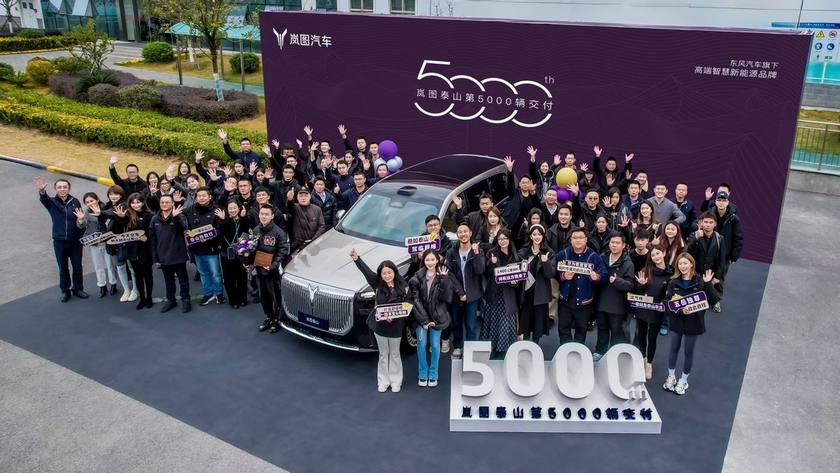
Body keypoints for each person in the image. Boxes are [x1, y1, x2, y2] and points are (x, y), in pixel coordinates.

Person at [350, 248, 410, 392]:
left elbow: (408, 305)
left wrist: (394, 316)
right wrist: (357, 258)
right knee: (383, 354)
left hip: (396, 327)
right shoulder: (377, 284)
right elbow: (366, 272)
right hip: (380, 326)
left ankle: (396, 381)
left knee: (395, 354)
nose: (387, 275)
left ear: (394, 272)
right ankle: (383, 381)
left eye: (389, 272)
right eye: (384, 273)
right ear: (380, 274)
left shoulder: (404, 287)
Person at [663, 253, 720, 396]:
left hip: (694, 323)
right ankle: (671, 376)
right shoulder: (673, 282)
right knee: (673, 349)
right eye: (680, 264)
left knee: (688, 352)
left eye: (685, 263)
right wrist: (681, 310)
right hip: (677, 322)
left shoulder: (700, 281)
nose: (683, 266)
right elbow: (667, 303)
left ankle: (683, 380)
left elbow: (714, 300)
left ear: (691, 264)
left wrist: (708, 284)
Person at [36, 176, 87, 302]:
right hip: (59, 241)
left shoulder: (75, 201)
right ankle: (65, 290)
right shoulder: (51, 202)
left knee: (77, 266)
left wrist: (81, 221)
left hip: (75, 241)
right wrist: (42, 191)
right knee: (63, 268)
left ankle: (78, 288)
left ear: (69, 188)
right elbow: (44, 199)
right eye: (59, 187)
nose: (62, 189)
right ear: (55, 188)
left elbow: (80, 221)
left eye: (65, 187)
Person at [555, 227, 608, 344]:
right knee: (563, 330)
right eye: (575, 238)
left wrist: (597, 277)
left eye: (580, 238)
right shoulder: (563, 254)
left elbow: (604, 276)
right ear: (571, 240)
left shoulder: (593, 256)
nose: (578, 240)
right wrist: (563, 276)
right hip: (565, 301)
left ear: (586, 239)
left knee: (581, 331)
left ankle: (578, 353)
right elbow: (553, 272)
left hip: (584, 303)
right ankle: (565, 352)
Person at [408, 249, 453, 387]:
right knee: (421, 345)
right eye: (427, 259)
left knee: (435, 345)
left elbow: (447, 298)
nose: (430, 262)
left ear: (437, 260)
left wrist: (444, 280)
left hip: (437, 317)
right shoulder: (416, 278)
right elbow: (415, 300)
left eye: (433, 259)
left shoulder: (443, 275)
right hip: (421, 318)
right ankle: (423, 373)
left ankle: (433, 373)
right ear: (424, 261)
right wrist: (425, 320)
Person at [444, 224, 486, 359]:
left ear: (471, 233)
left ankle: (470, 350)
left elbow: (480, 270)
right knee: (456, 323)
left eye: (465, 231)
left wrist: (477, 253)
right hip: (457, 295)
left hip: (473, 294)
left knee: (471, 325)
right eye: (460, 232)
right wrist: (460, 292)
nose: (463, 234)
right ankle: (458, 347)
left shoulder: (477, 250)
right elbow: (449, 273)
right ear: (457, 235)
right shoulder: (451, 252)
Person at [593, 231, 634, 361]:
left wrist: (617, 281)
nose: (614, 245)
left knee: (616, 331)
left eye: (617, 243)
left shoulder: (628, 263)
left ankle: (614, 355)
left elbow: (630, 285)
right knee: (602, 328)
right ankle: (600, 350)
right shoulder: (602, 258)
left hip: (618, 304)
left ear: (623, 245)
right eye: (612, 242)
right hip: (601, 301)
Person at [633, 246, 671, 380]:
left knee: (652, 338)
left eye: (658, 253)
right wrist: (641, 284)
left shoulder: (671, 273)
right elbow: (638, 292)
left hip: (657, 310)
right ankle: (643, 360)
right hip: (643, 308)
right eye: (653, 255)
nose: (656, 257)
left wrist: (664, 303)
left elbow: (671, 295)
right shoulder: (646, 270)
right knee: (641, 335)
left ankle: (649, 364)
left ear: (664, 253)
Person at [482, 229, 522, 357]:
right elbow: (486, 273)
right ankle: (493, 348)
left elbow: (520, 277)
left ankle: (505, 350)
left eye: (505, 238)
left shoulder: (516, 256)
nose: (502, 241)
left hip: (509, 293)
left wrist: (515, 282)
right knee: (493, 321)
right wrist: (491, 263)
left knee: (506, 321)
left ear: (509, 240)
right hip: (495, 292)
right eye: (500, 239)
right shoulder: (492, 253)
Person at [183, 187, 226, 305]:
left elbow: (221, 229)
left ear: (210, 197)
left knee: (215, 274)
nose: (201, 198)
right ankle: (208, 293)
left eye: (204, 195)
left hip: (212, 247)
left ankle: (219, 293)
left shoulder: (217, 210)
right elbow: (182, 220)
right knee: (203, 273)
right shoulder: (190, 210)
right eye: (199, 196)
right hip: (197, 248)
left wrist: (210, 236)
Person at [149, 195, 191, 313]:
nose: (164, 204)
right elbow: (152, 239)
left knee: (183, 281)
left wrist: (176, 217)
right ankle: (171, 300)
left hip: (178, 255)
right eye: (162, 202)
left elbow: (184, 228)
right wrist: (155, 256)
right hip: (163, 256)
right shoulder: (155, 219)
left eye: (167, 202)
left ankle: (186, 300)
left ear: (172, 204)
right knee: (169, 281)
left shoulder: (179, 216)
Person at [253, 205, 290, 333]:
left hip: (273, 272)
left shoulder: (279, 232)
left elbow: (283, 251)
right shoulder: (255, 230)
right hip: (259, 270)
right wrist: (247, 261)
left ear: (272, 216)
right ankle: (269, 317)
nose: (263, 216)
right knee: (263, 297)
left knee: (275, 297)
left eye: (266, 214)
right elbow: (251, 249)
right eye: (261, 214)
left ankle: (277, 319)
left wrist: (273, 265)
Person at [99, 184, 138, 302]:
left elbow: (116, 216)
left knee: (132, 267)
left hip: (125, 241)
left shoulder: (124, 205)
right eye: (111, 194)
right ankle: (126, 289)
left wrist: (101, 213)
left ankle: (135, 289)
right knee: (119, 266)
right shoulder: (106, 206)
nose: (113, 196)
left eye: (116, 194)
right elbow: (101, 224)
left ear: (121, 195)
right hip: (111, 243)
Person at [517, 224, 556, 344]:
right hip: (525, 292)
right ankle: (525, 345)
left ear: (543, 236)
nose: (537, 236)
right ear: (530, 236)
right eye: (534, 234)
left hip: (540, 293)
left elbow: (550, 274)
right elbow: (516, 270)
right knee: (525, 322)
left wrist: (545, 262)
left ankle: (535, 346)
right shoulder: (523, 252)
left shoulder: (549, 252)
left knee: (538, 323)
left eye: (539, 234)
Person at [75, 192, 118, 297]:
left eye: (92, 200)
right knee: (98, 266)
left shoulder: (105, 209)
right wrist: (80, 220)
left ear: (97, 200)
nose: (90, 203)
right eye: (87, 202)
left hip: (107, 242)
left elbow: (111, 223)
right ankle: (102, 286)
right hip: (94, 244)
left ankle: (113, 284)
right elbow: (81, 226)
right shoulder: (86, 213)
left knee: (110, 265)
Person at [117, 193, 154, 310]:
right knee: (138, 276)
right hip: (132, 251)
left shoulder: (149, 215)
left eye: (138, 202)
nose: (136, 205)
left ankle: (149, 298)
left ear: (143, 202)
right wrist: (121, 217)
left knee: (148, 275)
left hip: (146, 250)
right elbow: (121, 227)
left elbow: (153, 232)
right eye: (133, 203)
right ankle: (142, 298)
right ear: (129, 204)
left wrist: (147, 238)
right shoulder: (127, 215)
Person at [686, 212, 727, 312]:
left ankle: (715, 302)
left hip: (711, 271)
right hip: (696, 270)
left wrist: (718, 276)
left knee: (711, 289)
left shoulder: (720, 238)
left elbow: (722, 260)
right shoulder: (694, 235)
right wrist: (696, 239)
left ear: (715, 224)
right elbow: (687, 252)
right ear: (701, 223)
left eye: (710, 222)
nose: (708, 224)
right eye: (706, 222)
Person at [711, 191, 743, 312]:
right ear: (715, 202)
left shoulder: (734, 218)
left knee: (719, 278)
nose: (721, 203)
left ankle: (716, 301)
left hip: (725, 255)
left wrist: (734, 256)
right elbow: (699, 224)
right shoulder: (709, 214)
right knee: (705, 275)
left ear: (728, 202)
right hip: (709, 252)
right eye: (719, 200)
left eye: (724, 200)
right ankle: (704, 298)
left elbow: (738, 238)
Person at [218, 199, 251, 309]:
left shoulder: (243, 219)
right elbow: (219, 234)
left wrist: (243, 218)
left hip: (241, 253)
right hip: (226, 253)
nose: (232, 210)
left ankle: (243, 298)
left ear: (239, 208)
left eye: (234, 208)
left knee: (242, 277)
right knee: (229, 279)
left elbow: (248, 233)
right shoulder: (223, 220)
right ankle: (233, 300)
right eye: (230, 208)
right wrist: (223, 220)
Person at [502, 156, 540, 232]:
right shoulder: (514, 193)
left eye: (527, 183)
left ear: (530, 184)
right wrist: (510, 170)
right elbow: (510, 184)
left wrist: (533, 193)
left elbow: (537, 207)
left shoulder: (533, 195)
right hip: (513, 225)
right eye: (523, 182)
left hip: (527, 226)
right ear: (519, 184)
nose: (525, 184)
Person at [286, 187, 326, 253]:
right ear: (297, 197)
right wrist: (290, 200)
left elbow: (321, 226)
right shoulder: (295, 207)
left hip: (313, 244)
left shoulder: (317, 209)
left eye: (306, 196)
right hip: (297, 245)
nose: (303, 198)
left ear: (310, 197)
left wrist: (313, 240)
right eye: (301, 196)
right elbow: (290, 206)